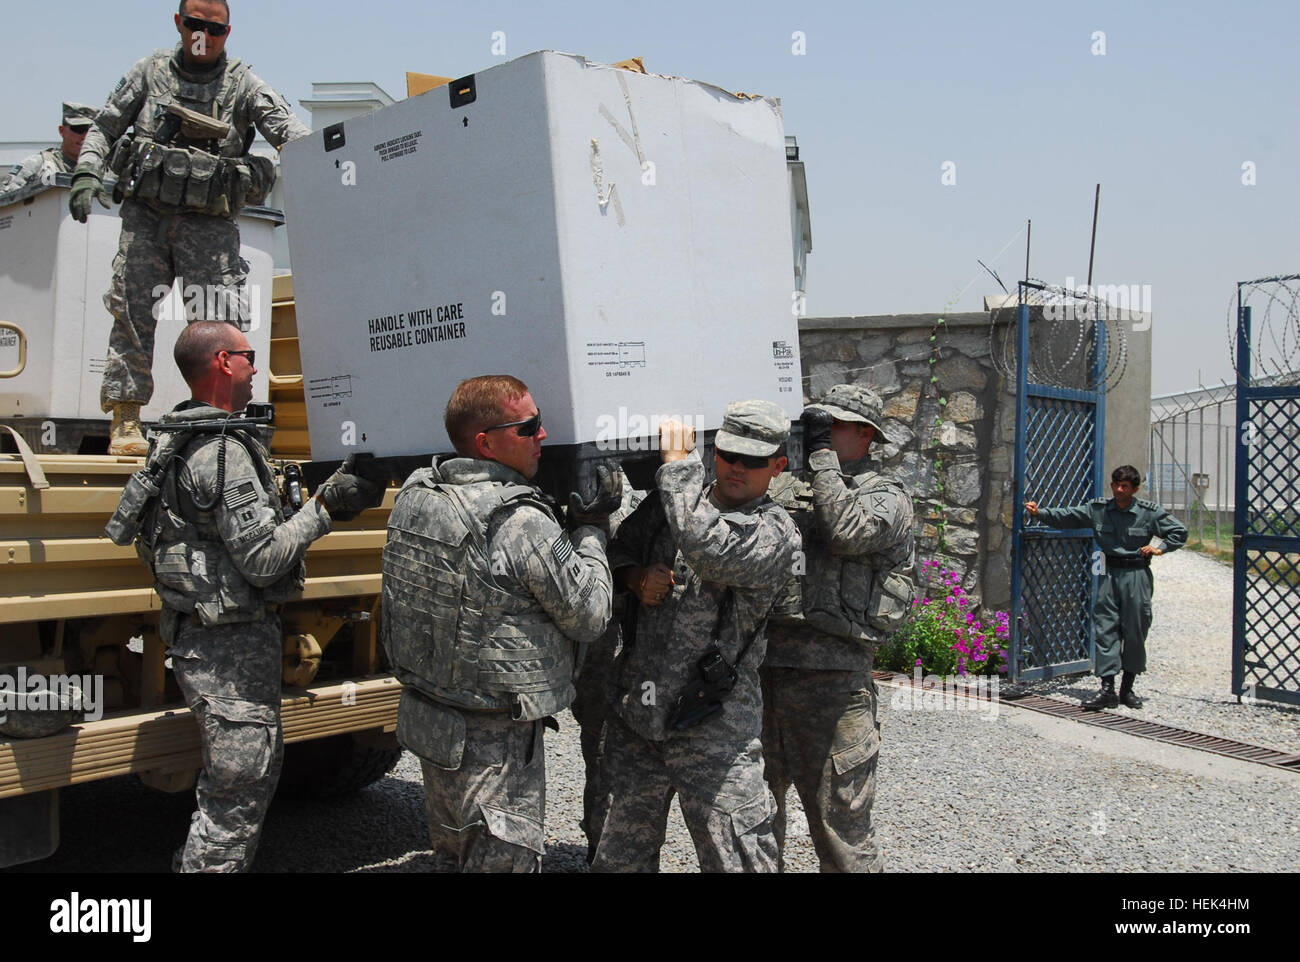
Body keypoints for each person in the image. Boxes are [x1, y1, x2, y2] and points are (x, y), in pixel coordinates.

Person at [106, 320, 384, 871]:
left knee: (240, 784)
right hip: (227, 649)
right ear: (222, 363)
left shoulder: (176, 438)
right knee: (237, 791)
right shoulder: (223, 451)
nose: (258, 368)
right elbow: (262, 560)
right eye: (249, 356)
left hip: (206, 638)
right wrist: (326, 508)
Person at [382, 376, 615, 872]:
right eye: (528, 427)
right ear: (486, 443)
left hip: (436, 723)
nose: (544, 434)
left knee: (453, 857)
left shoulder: (418, 494)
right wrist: (593, 532)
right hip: (496, 742)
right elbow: (591, 614)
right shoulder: (519, 521)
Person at [71, 0, 311, 456]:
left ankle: (220, 423)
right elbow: (104, 126)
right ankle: (125, 420)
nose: (204, 35)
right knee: (132, 313)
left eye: (214, 29)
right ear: (179, 24)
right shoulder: (148, 73)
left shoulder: (244, 85)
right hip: (147, 219)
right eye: (195, 25)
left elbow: (294, 137)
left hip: (211, 227)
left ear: (228, 31)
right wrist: (86, 170)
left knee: (220, 329)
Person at [590, 401, 800, 873]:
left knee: (737, 856)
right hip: (639, 716)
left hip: (713, 728)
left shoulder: (776, 533)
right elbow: (620, 547)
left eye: (752, 460)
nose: (737, 468)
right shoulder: (675, 502)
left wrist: (680, 467)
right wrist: (635, 577)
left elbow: (709, 550)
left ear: (778, 467)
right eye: (728, 454)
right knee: (617, 857)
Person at [763, 384, 914, 873]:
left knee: (840, 830)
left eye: (835, 426)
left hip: (836, 684)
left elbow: (846, 531)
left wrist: (822, 458)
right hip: (763, 675)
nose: (820, 435)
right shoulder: (788, 486)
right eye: (817, 425)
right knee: (754, 820)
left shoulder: (887, 495)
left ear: (867, 435)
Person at [1025, 464, 1187, 710]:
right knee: (1106, 628)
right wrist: (1040, 513)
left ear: (1134, 489)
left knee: (1135, 629)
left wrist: (1159, 548)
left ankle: (1127, 689)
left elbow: (1179, 531)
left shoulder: (1148, 512)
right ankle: (1107, 688)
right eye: (1116, 484)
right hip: (1109, 574)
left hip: (1136, 575)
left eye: (1125, 486)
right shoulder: (1098, 509)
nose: (1119, 490)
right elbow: (1068, 516)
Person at [0, 103, 97, 201]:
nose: (85, 137)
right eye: (79, 129)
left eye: (91, 131)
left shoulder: (102, 170)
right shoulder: (36, 165)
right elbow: (5, 203)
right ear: (62, 131)